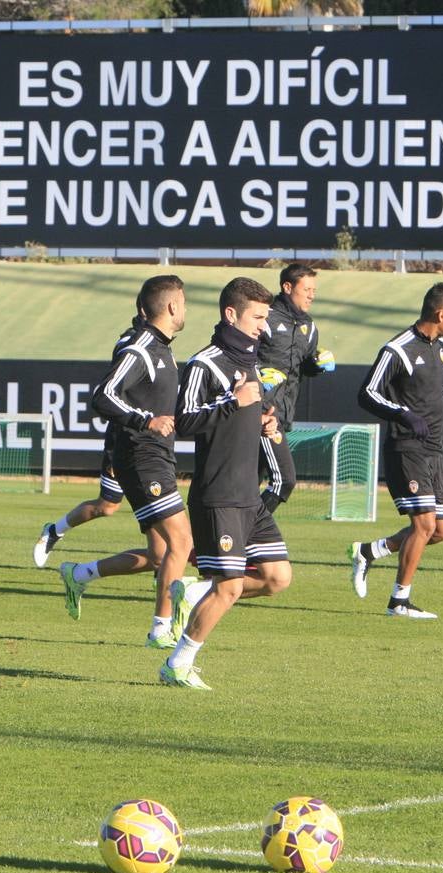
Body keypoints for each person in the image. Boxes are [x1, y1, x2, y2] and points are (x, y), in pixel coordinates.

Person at [160, 277, 292, 690]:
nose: (262, 326)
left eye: (266, 318)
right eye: (257, 317)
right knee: (231, 587)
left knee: (277, 578)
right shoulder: (206, 363)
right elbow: (183, 422)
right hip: (218, 495)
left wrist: (265, 417)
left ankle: (195, 593)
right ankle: (177, 664)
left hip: (247, 495)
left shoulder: (249, 361)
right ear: (230, 314)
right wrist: (233, 402)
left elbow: (247, 408)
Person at [57, 275, 195, 650]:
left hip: (153, 457)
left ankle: (79, 574)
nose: (185, 308)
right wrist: (144, 421)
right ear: (170, 307)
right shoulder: (143, 346)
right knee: (183, 541)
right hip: (142, 457)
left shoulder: (163, 348)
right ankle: (161, 629)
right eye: (182, 302)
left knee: (159, 555)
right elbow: (103, 395)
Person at [348, 282, 443, 619]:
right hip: (406, 449)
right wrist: (402, 414)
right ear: (440, 313)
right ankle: (399, 601)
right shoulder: (398, 349)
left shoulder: (442, 347)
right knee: (423, 525)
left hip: (435, 451)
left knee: (440, 531)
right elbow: (367, 393)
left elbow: (432, 393)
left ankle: (370, 550)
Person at [33, 311, 147, 573]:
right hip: (124, 437)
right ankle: (54, 531)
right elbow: (110, 394)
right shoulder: (131, 345)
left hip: (152, 445)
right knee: (107, 506)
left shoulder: (159, 345)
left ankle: (164, 572)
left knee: (165, 523)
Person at [257, 264, 335, 514]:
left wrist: (317, 365)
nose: (312, 294)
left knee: (247, 486)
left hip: (284, 414)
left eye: (314, 289)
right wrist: (259, 375)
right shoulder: (264, 317)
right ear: (287, 287)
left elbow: (304, 367)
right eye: (307, 289)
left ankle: (229, 540)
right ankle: (245, 533)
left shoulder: (309, 327)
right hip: (261, 413)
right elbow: (239, 357)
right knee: (284, 481)